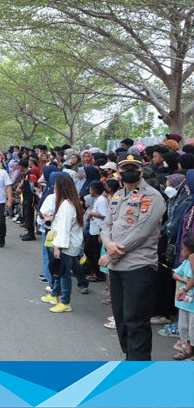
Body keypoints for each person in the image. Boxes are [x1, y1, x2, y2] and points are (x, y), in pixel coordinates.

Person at [100, 153, 166, 360]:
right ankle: (130, 358)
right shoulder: (118, 195)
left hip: (139, 267)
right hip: (117, 267)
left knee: (135, 320)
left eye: (133, 168)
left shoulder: (152, 196)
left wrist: (112, 254)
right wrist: (108, 243)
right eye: (125, 168)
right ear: (118, 171)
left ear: (141, 169)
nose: (130, 171)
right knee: (121, 319)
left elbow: (142, 231)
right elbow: (106, 225)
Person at [41, 174, 84, 313]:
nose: (53, 187)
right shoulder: (71, 202)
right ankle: (55, 295)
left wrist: (58, 247)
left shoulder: (66, 205)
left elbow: (64, 229)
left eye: (56, 185)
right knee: (60, 271)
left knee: (64, 273)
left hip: (66, 244)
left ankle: (65, 301)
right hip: (69, 243)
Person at [172, 237, 194, 360]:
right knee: (184, 327)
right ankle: (189, 350)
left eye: (184, 250)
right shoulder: (185, 263)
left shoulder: (191, 262)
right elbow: (175, 274)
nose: (182, 252)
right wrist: (184, 280)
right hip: (184, 303)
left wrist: (185, 289)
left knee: (193, 329)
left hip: (192, 305)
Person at [85, 181, 108, 281]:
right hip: (93, 230)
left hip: (98, 231)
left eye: (91, 189)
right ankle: (93, 271)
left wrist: (93, 214)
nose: (89, 191)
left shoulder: (102, 200)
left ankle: (98, 274)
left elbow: (105, 215)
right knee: (88, 250)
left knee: (95, 253)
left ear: (94, 190)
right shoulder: (97, 199)